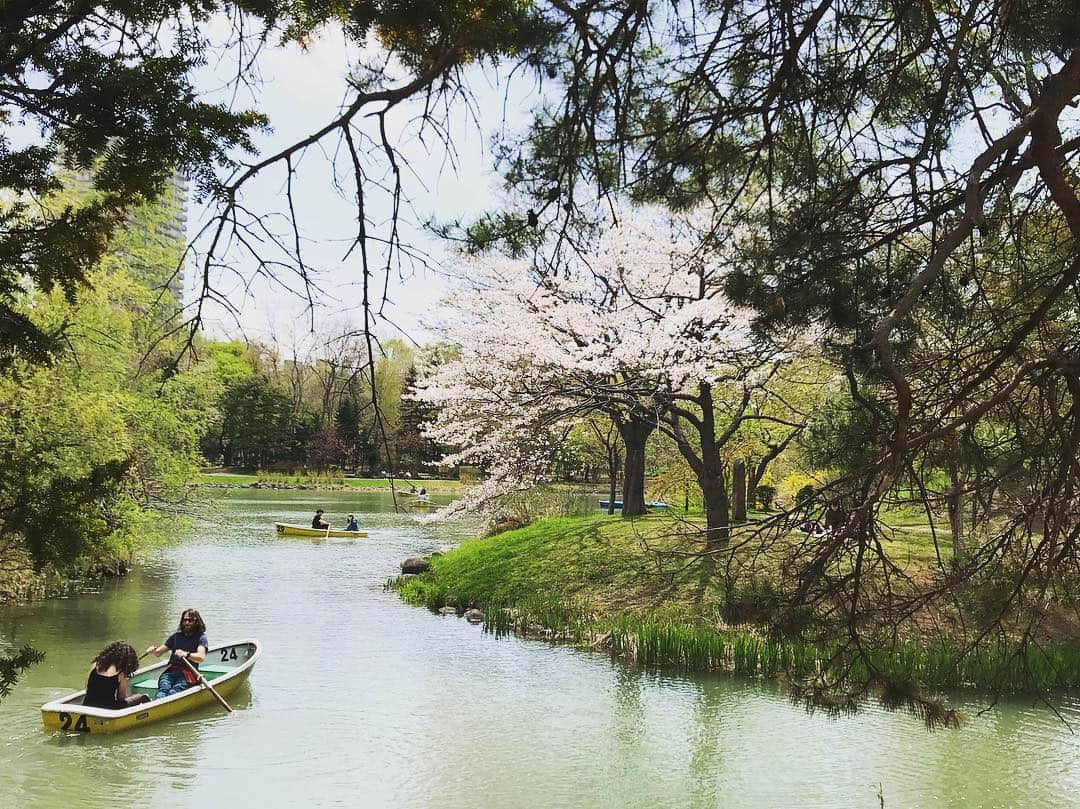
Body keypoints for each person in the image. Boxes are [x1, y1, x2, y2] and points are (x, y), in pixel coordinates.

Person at [145, 608, 208, 700]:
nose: (186, 623)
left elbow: (201, 657)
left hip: (188, 674)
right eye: (184, 620)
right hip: (170, 672)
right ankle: (156, 705)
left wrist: (186, 654)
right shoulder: (176, 636)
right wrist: (153, 650)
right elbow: (159, 653)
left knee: (173, 692)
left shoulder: (201, 638)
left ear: (196, 622)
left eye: (190, 620)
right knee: (163, 690)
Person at [83, 641, 151, 709]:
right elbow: (121, 698)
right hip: (108, 709)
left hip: (88, 705)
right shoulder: (121, 674)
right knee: (140, 697)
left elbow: (87, 687)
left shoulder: (95, 665)